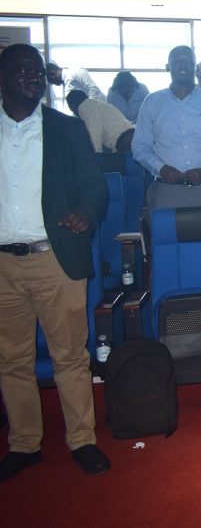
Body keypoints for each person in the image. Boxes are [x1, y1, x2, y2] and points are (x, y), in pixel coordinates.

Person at [0, 44, 111, 481]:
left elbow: (94, 186)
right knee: (11, 360)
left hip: (54, 257)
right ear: (2, 78)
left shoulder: (66, 128)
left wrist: (86, 211)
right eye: (23, 70)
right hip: (4, 264)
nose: (34, 76)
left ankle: (82, 440)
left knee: (69, 356)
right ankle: (24, 443)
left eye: (38, 71)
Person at [132, 45, 201, 208]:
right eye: (177, 61)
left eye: (188, 61)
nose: (183, 65)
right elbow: (139, 147)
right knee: (163, 226)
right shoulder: (152, 103)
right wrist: (161, 169)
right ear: (168, 67)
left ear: (196, 68)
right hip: (166, 190)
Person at [65, 90, 134, 153]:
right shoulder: (95, 104)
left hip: (125, 140)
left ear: (72, 105)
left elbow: (95, 132)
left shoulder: (85, 106)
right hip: (129, 138)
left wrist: (94, 155)